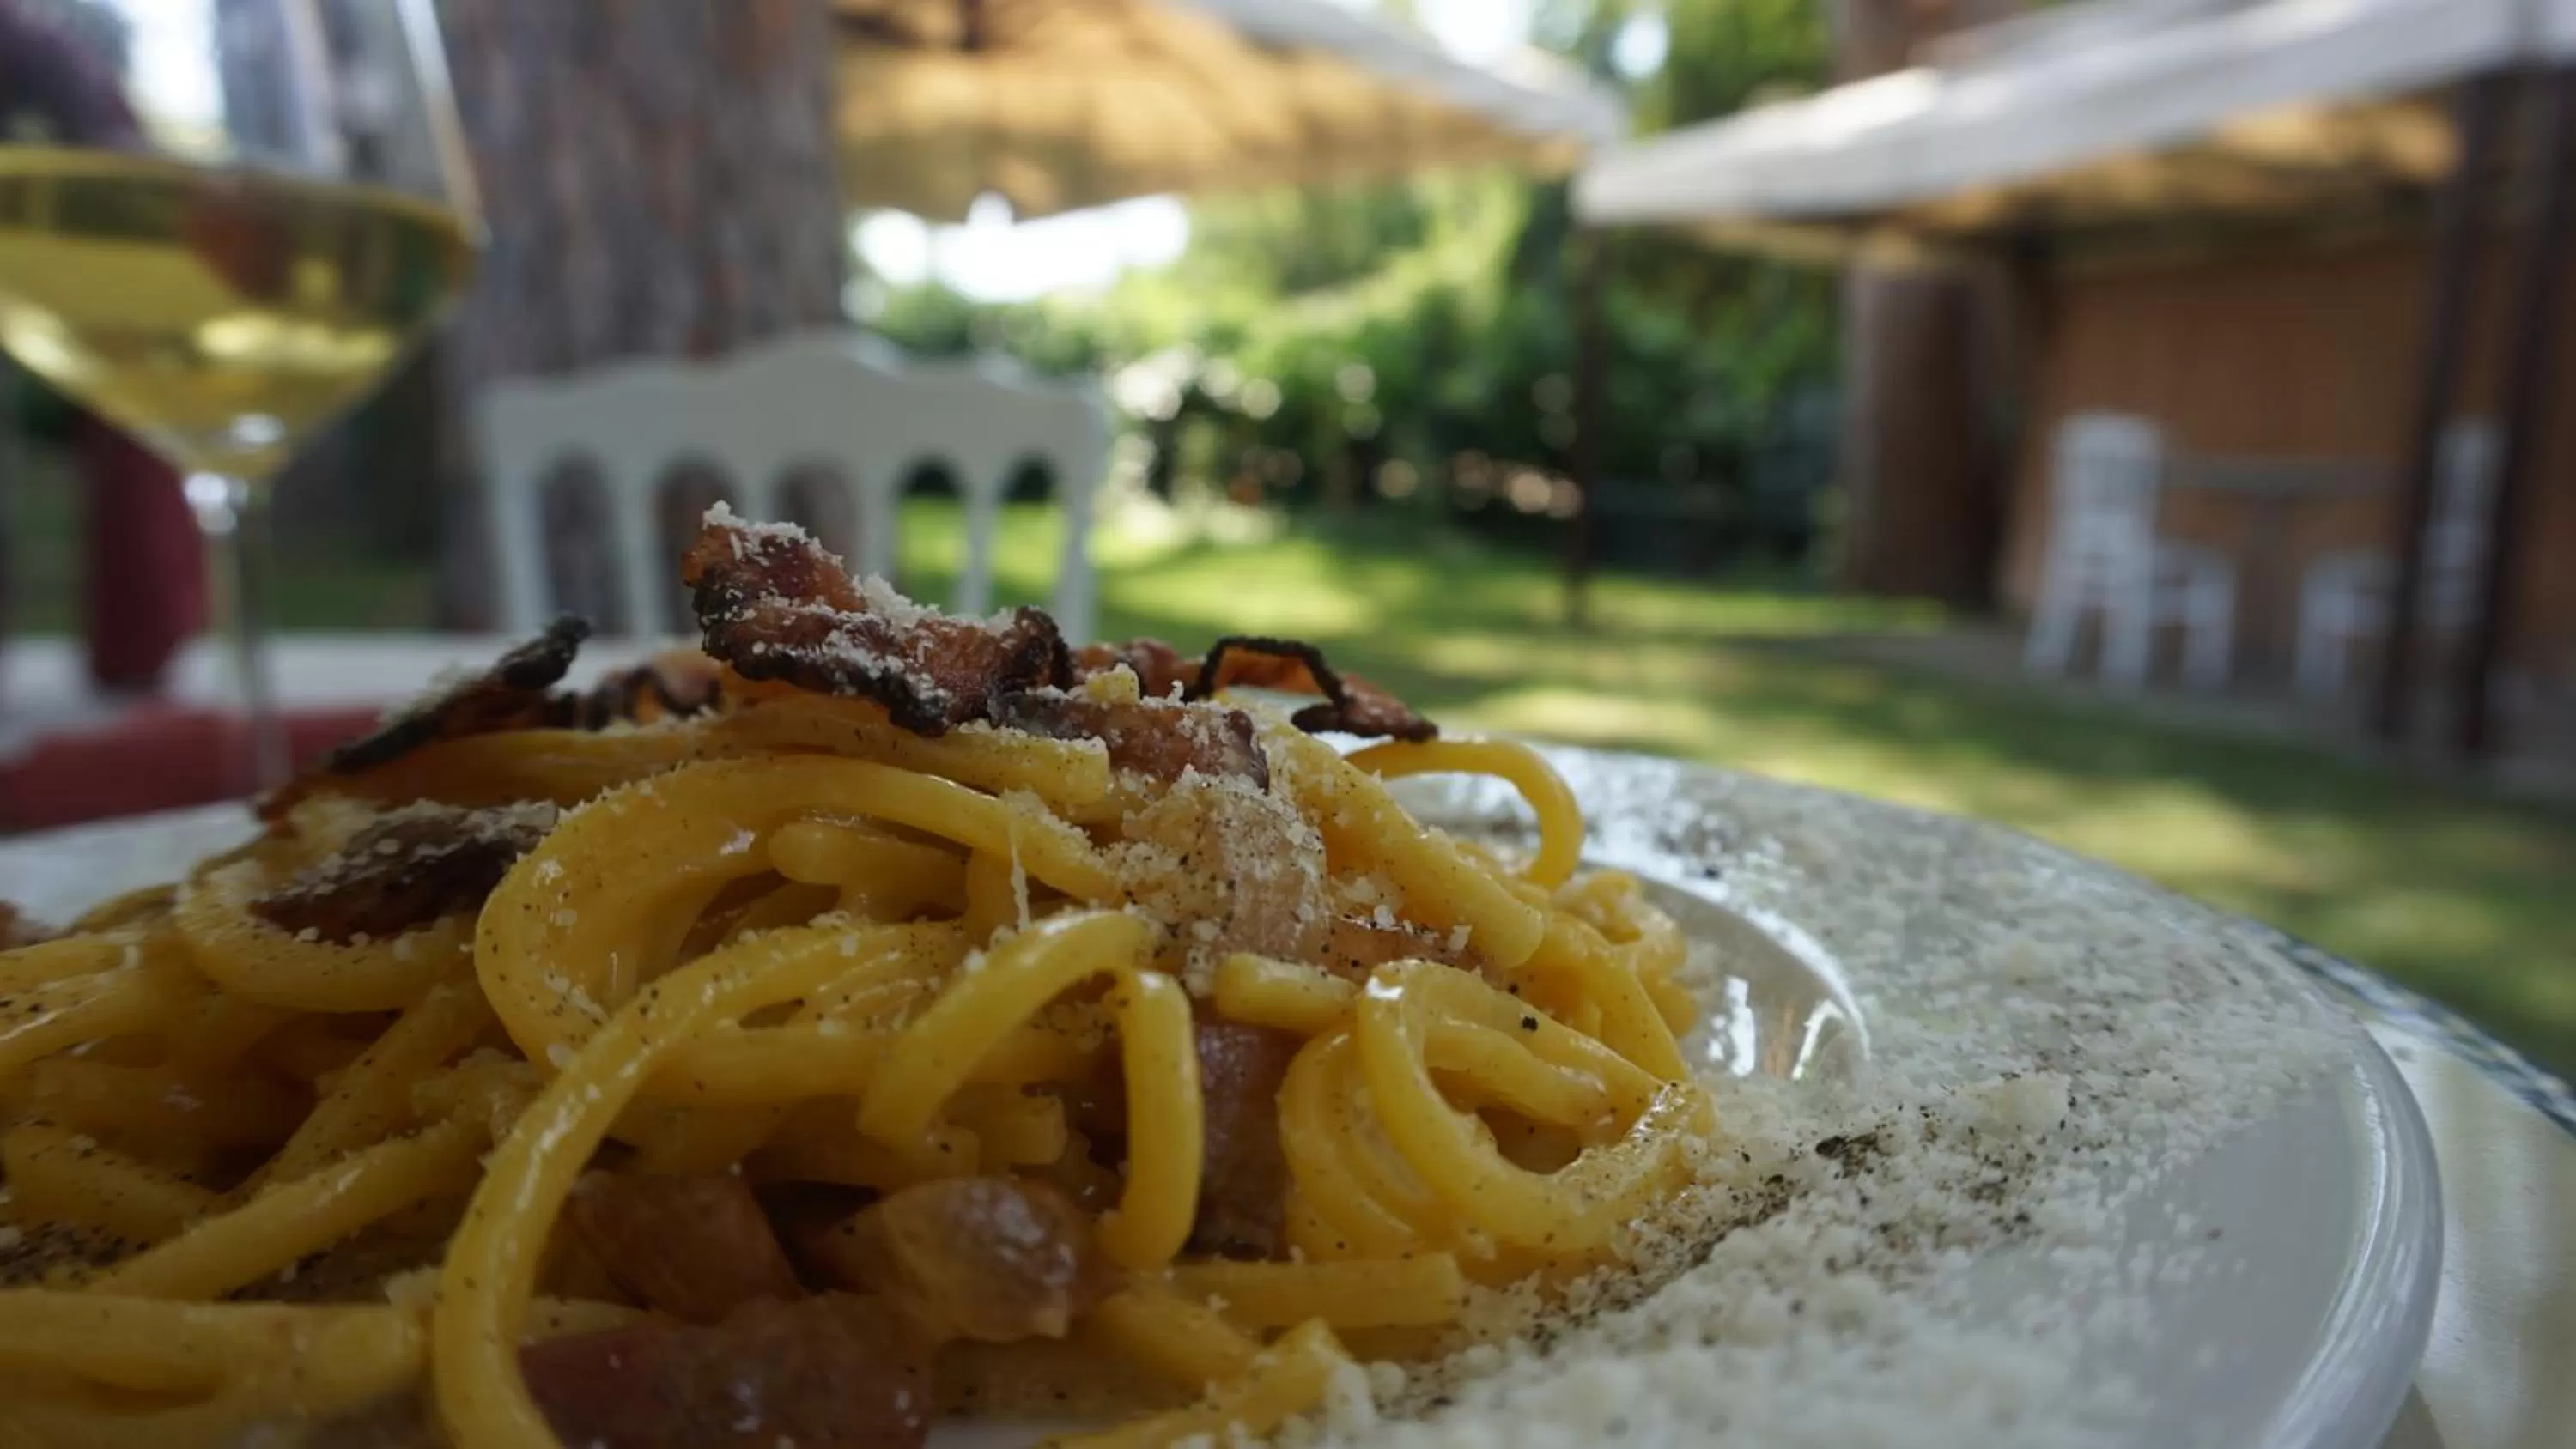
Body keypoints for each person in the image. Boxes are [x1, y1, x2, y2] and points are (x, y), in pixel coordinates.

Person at [0, 0, 206, 696]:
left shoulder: (41, 49)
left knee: (134, 432)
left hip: (97, 278)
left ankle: (139, 663)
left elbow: (115, 151)